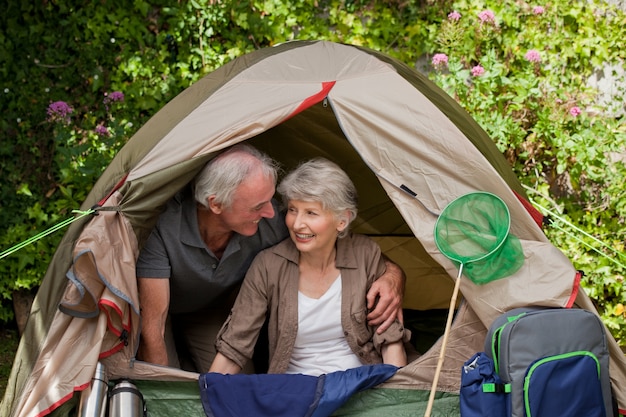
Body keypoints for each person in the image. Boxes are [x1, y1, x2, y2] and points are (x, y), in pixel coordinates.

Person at [136, 144, 405, 372]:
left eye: (273, 202)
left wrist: (393, 277)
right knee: (167, 375)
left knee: (234, 383)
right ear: (215, 204)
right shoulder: (164, 229)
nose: (272, 213)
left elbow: (359, 256)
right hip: (161, 311)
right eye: (258, 206)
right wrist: (164, 394)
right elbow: (154, 329)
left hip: (212, 311)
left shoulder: (276, 223)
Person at [209, 158, 409, 376]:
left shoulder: (365, 253)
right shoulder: (268, 265)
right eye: (293, 210)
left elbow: (390, 340)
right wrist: (207, 394)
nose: (296, 224)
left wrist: (394, 397)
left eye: (311, 213)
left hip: (359, 383)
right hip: (296, 390)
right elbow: (234, 345)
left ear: (342, 220)